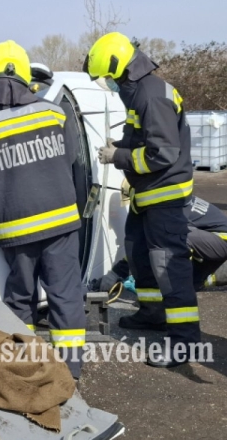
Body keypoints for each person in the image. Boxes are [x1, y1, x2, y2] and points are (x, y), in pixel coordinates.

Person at [0, 40, 87, 380]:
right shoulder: (56, 113)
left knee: (20, 299)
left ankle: (25, 365)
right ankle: (70, 371)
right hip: (62, 226)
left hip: (15, 232)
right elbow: (73, 162)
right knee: (65, 298)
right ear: (26, 77)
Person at [83, 32, 198, 368]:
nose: (109, 83)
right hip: (147, 195)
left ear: (120, 71)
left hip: (165, 195)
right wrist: (121, 144)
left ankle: (184, 343)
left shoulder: (149, 96)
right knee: (138, 255)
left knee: (169, 266)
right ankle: (152, 313)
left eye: (108, 77)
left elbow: (162, 153)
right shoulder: (142, 92)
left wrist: (118, 156)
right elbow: (144, 137)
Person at [91, 191, 227, 332]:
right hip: (221, 239)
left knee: (170, 261)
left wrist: (117, 272)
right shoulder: (168, 194)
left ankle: (158, 319)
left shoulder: (160, 209)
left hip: (221, 240)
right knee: (189, 282)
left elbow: (144, 245)